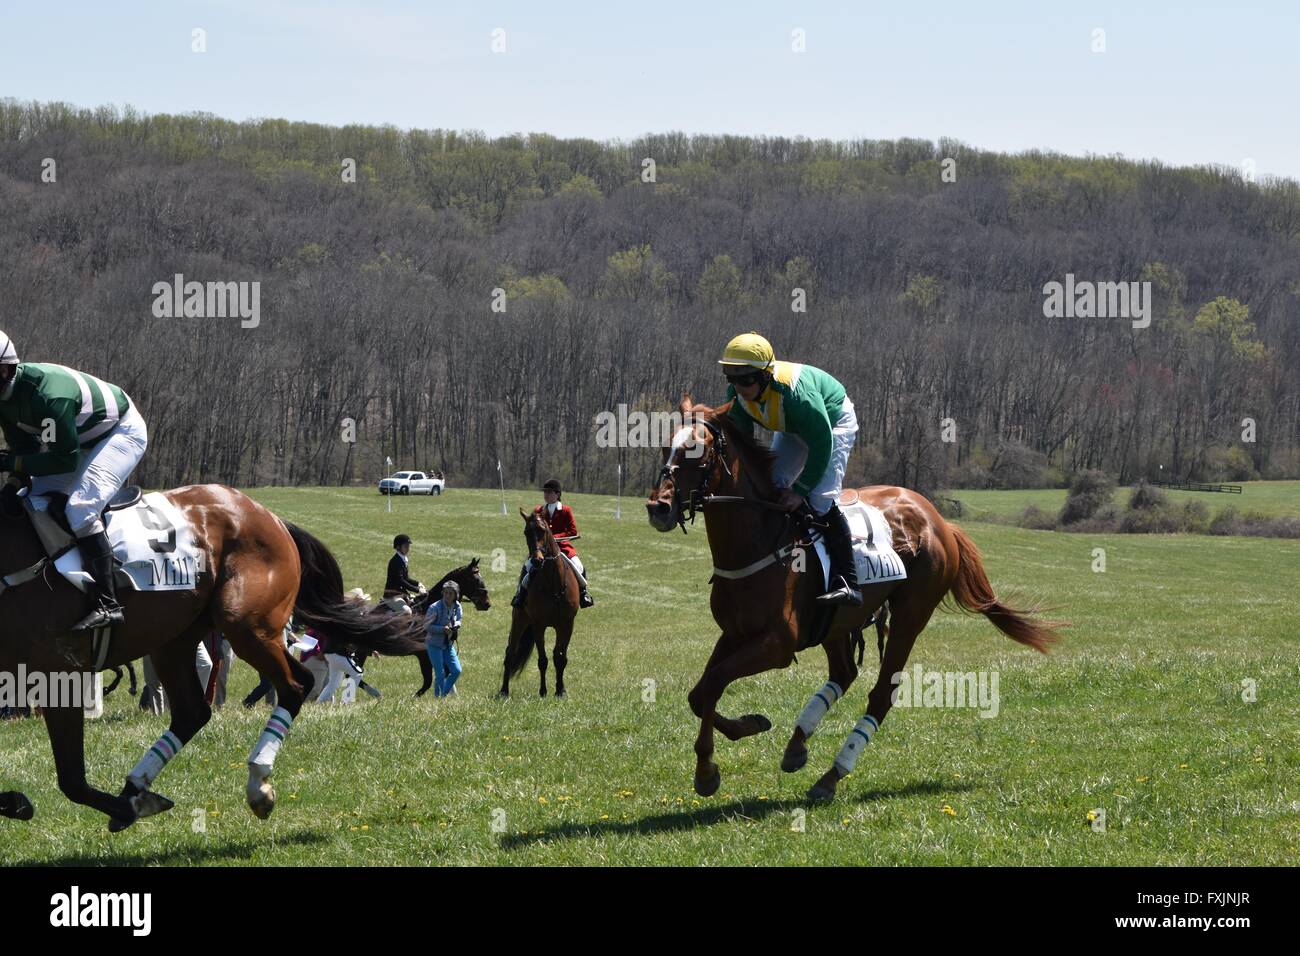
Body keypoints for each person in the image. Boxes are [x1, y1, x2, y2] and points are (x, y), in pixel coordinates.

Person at [0, 331, 148, 630]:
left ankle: (109, 602)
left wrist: (10, 464)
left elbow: (62, 460)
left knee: (80, 508)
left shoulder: (47, 396)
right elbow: (25, 451)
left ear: (3, 370)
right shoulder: (4, 398)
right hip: (78, 441)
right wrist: (13, 485)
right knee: (33, 499)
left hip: (119, 432)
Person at [718, 332, 863, 607]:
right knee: (769, 487)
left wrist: (800, 490)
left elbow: (822, 445)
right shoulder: (737, 396)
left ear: (764, 376)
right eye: (731, 378)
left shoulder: (797, 397)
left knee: (820, 499)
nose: (738, 387)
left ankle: (848, 581)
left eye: (745, 378)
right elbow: (745, 445)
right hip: (793, 427)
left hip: (832, 424)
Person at [510, 478, 593, 608]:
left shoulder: (566, 510)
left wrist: (554, 537)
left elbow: (572, 531)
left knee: (579, 566)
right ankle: (520, 594)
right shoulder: (538, 510)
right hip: (542, 549)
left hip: (563, 548)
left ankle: (583, 594)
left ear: (557, 494)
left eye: (549, 492)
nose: (546, 495)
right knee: (527, 567)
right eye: (545, 492)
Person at [424, 581, 463, 697]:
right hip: (434, 644)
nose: (447, 596)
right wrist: (442, 629)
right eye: (445, 593)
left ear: (456, 595)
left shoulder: (457, 607)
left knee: (456, 670)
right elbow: (426, 626)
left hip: (448, 644)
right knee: (440, 673)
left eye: (451, 593)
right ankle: (439, 698)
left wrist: (456, 624)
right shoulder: (434, 608)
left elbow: (459, 619)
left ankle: (442, 694)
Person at [384, 533, 424, 609]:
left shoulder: (403, 559)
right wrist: (417, 590)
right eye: (405, 546)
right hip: (392, 596)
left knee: (417, 604)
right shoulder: (395, 562)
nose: (408, 548)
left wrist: (418, 583)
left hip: (401, 593)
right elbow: (401, 581)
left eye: (408, 546)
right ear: (398, 547)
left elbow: (406, 578)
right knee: (406, 611)